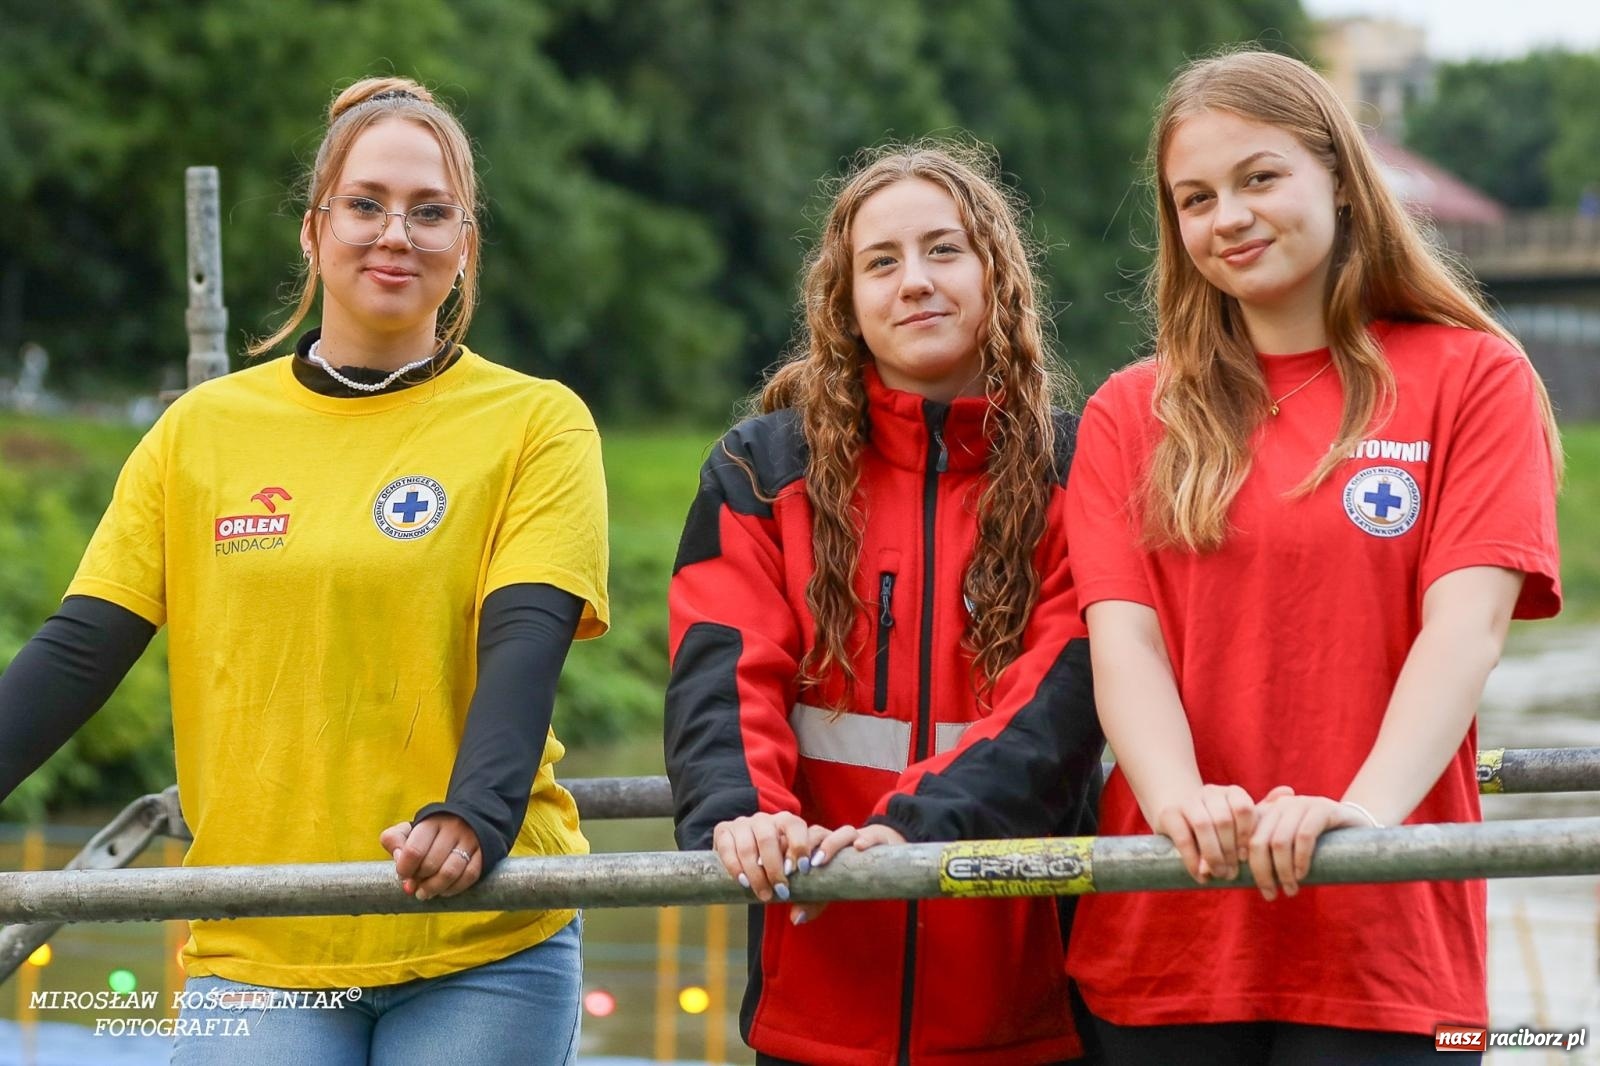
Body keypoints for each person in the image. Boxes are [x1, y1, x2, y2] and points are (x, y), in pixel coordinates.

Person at [0, 76, 607, 1066]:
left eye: (429, 211)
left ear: (465, 246)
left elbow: (526, 636)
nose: (395, 234)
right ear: (313, 231)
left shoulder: (535, 421)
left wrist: (474, 817)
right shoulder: (198, 432)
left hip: (484, 930)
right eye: (365, 204)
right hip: (263, 936)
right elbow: (79, 648)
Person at [1063, 50, 1563, 1064]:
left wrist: (1360, 818)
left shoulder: (1473, 378)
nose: (1228, 218)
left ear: (1337, 173)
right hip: (1165, 945)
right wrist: (1176, 804)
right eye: (1194, 198)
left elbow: (1461, 635)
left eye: (1258, 178)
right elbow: (1126, 650)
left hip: (1390, 953)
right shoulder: (1128, 411)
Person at [663, 141, 1104, 1065]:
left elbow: (1061, 701)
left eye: (944, 251)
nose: (915, 283)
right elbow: (723, 663)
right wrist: (741, 810)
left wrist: (906, 833)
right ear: (846, 301)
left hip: (1021, 1011)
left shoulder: (1081, 474)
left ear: (997, 278)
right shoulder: (762, 470)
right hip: (814, 999)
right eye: (882, 262)